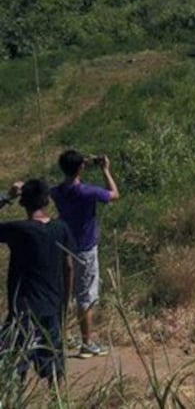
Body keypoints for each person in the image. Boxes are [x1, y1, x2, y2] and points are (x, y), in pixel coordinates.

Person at [0, 179, 75, 384]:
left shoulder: (18, 230)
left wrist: (7, 197)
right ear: (47, 201)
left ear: (23, 203)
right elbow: (69, 267)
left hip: (22, 311)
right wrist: (65, 303)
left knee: (13, 369)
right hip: (51, 308)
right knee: (55, 370)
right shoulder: (61, 228)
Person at [49, 150, 119, 359]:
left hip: (64, 247)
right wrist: (105, 170)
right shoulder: (88, 192)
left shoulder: (56, 191)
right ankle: (87, 343)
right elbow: (114, 194)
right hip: (85, 248)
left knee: (64, 293)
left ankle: (60, 335)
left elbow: (60, 184)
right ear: (80, 168)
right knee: (86, 295)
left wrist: (83, 163)